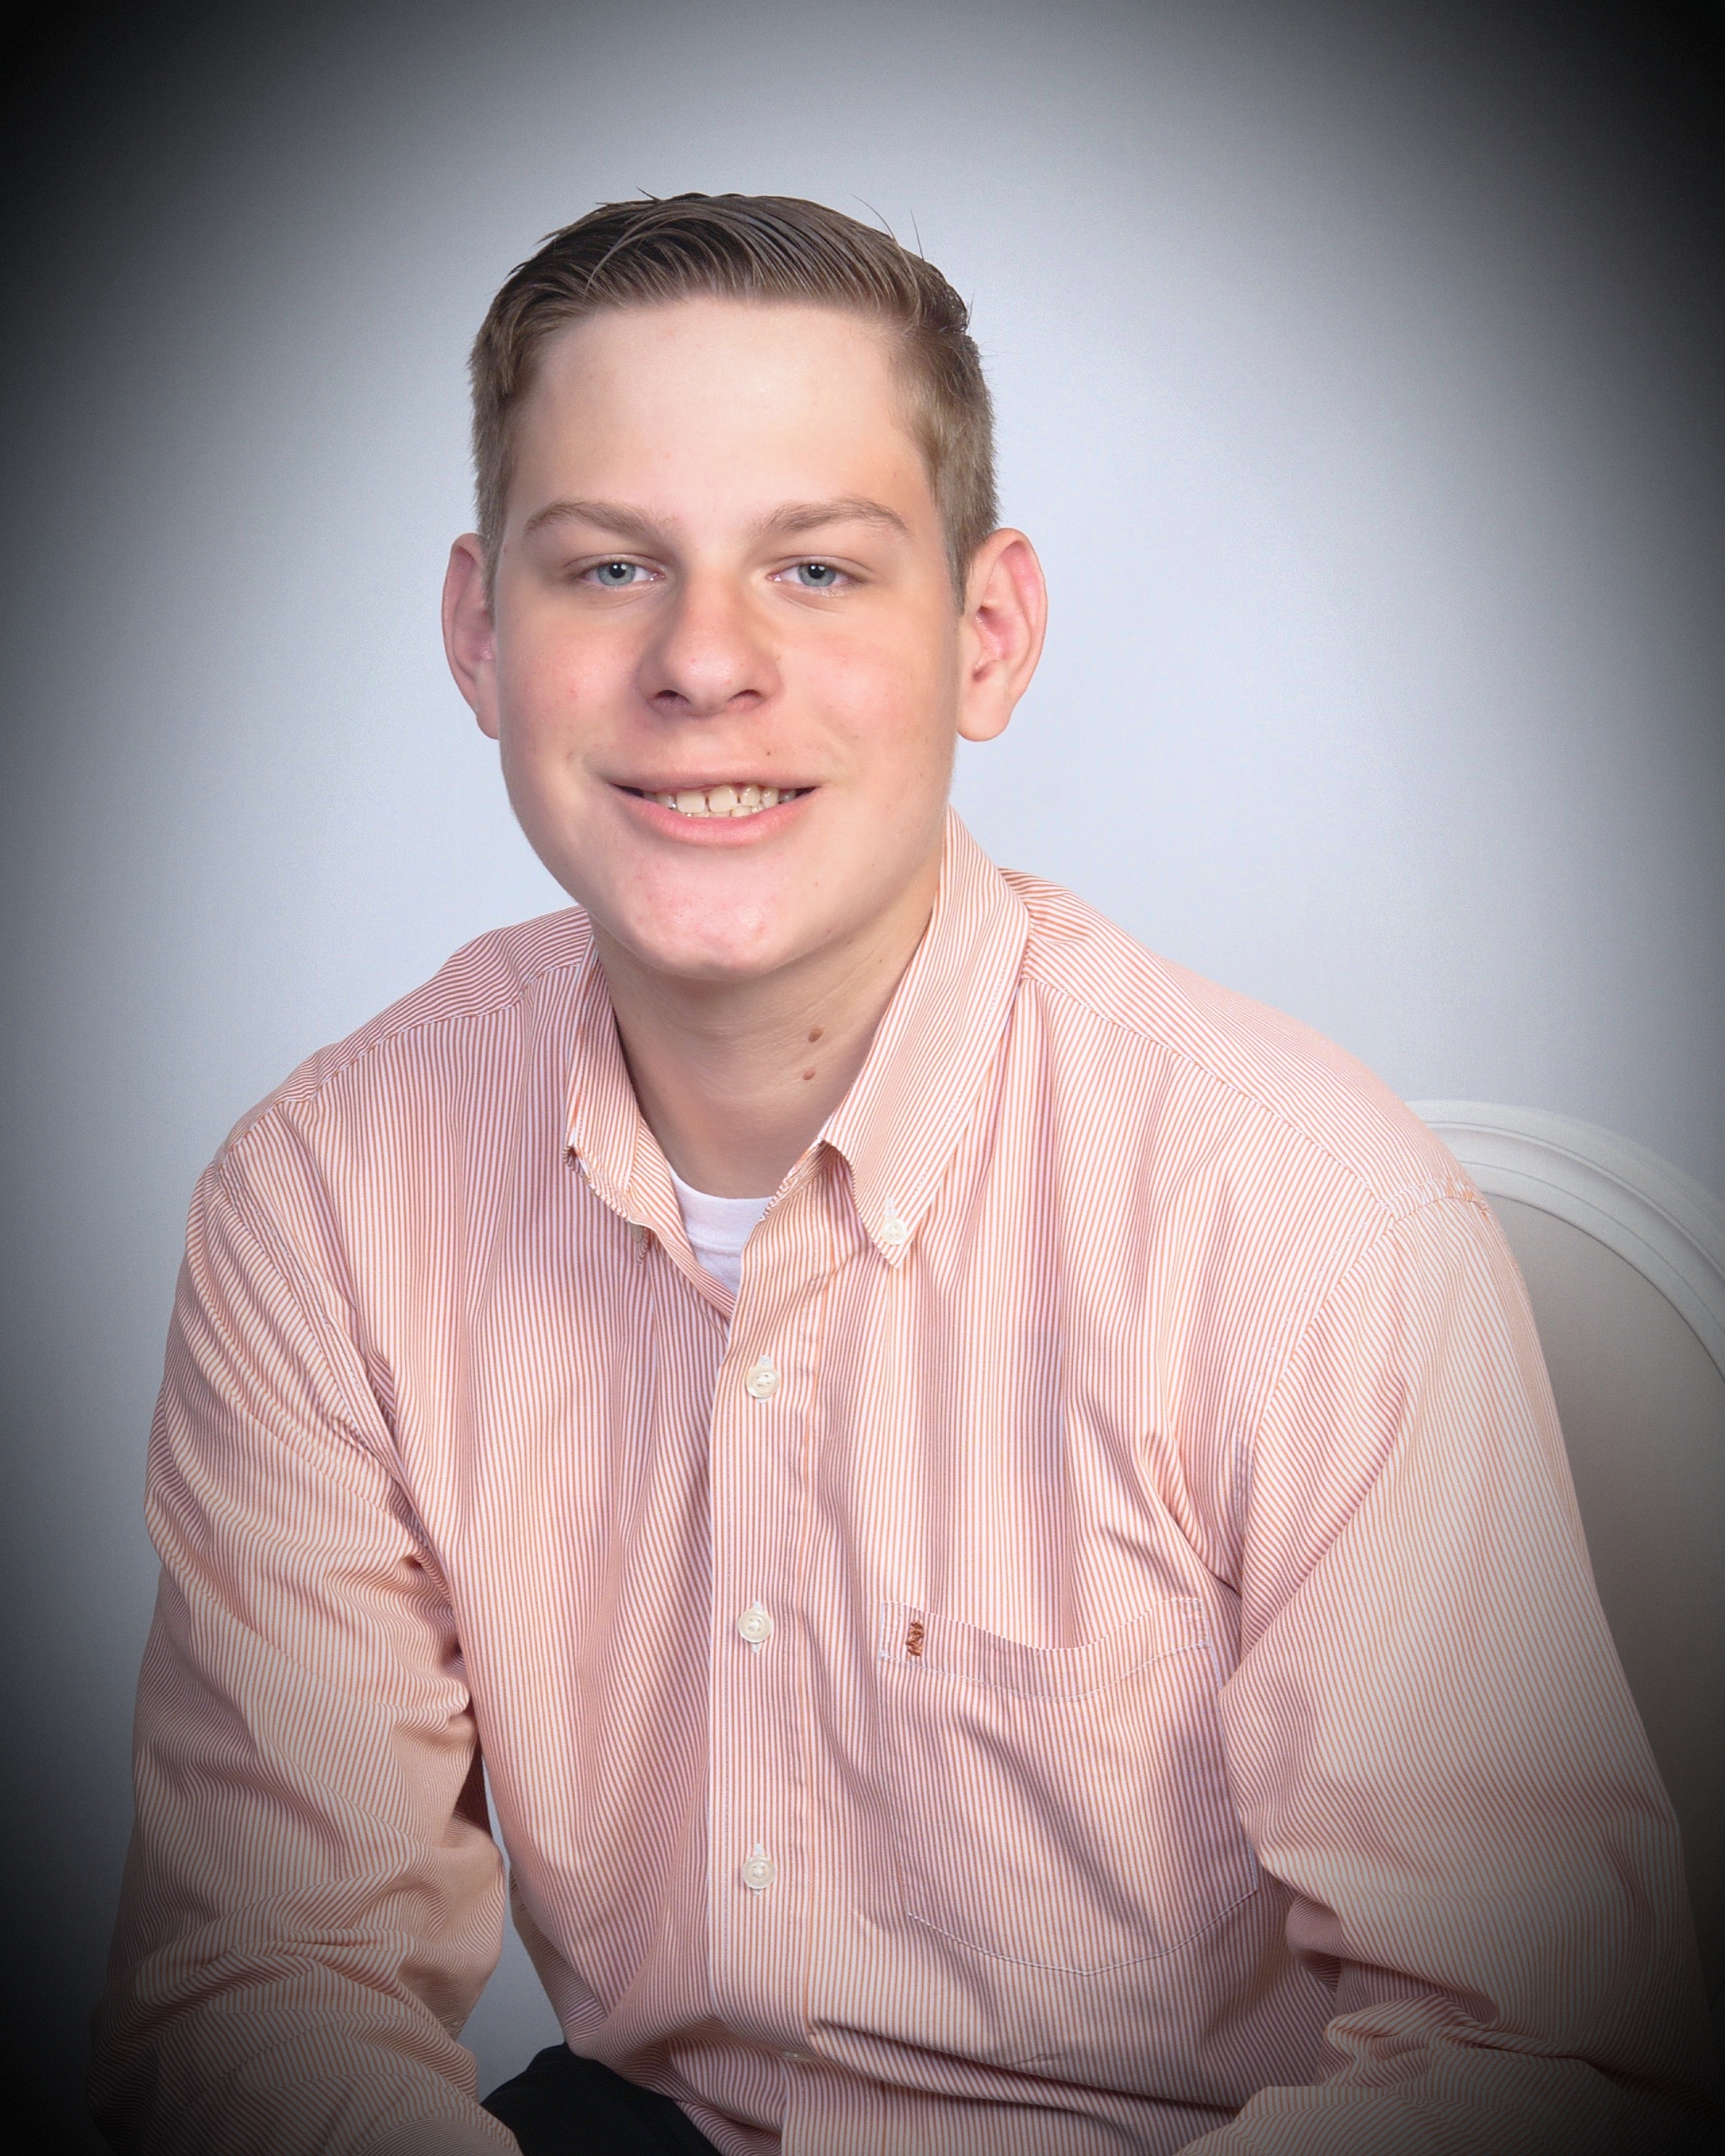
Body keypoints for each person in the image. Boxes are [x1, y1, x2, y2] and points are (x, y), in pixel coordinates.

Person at [91, 193, 1714, 2156]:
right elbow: (267, 1979)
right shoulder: (326, 1202)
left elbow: (1539, 2048)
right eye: (610, 566)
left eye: (818, 569)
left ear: (987, 635)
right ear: (479, 635)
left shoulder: (1295, 1213)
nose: (705, 661)